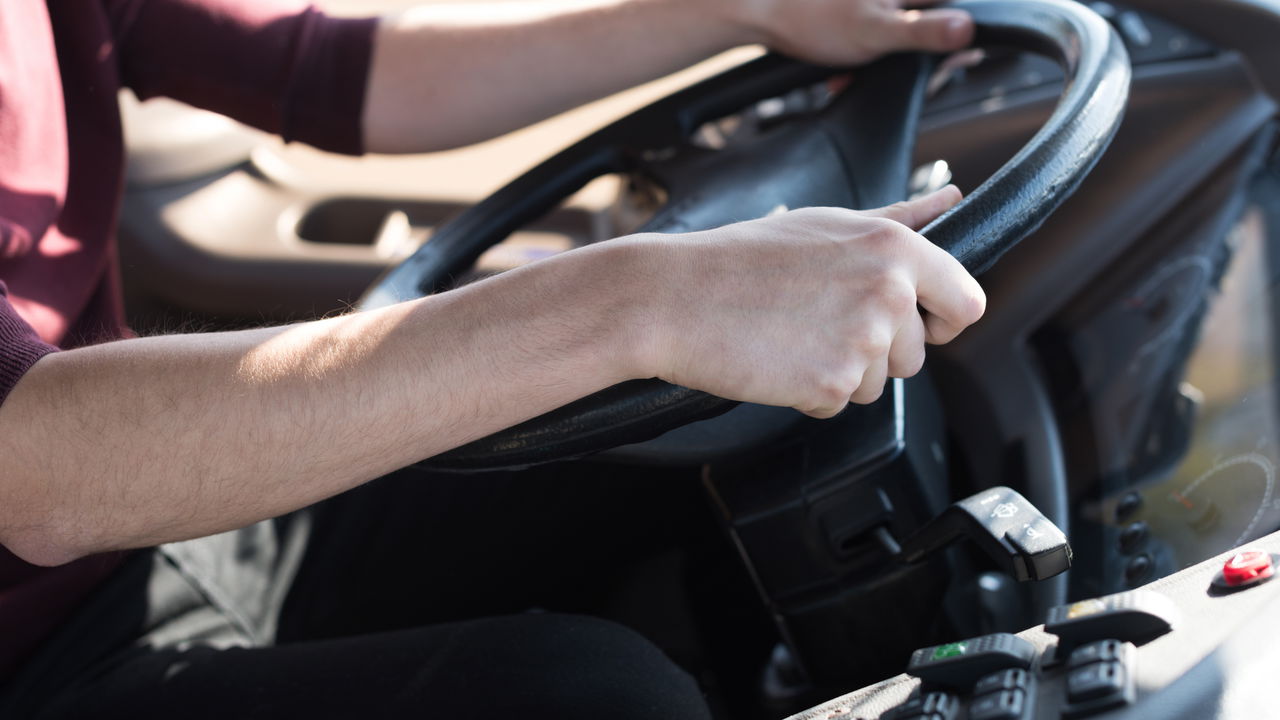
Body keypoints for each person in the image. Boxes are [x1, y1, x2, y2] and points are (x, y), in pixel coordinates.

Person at [0, 0, 985, 717]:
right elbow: (39, 470)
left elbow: (323, 71)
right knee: (589, 699)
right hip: (35, 650)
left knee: (713, 421)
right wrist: (634, 299)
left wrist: (739, 11)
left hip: (159, 540)